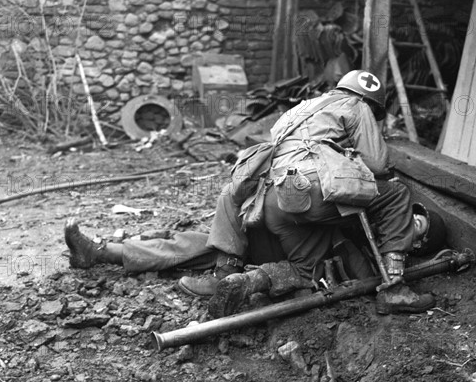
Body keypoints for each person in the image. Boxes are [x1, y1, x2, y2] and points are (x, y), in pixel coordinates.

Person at [178, 70, 436, 318]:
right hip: (311, 191)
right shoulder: (357, 105)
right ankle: (395, 289)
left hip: (272, 201)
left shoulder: (299, 108)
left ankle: (246, 281)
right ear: (368, 99)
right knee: (396, 194)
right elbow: (378, 164)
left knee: (306, 270)